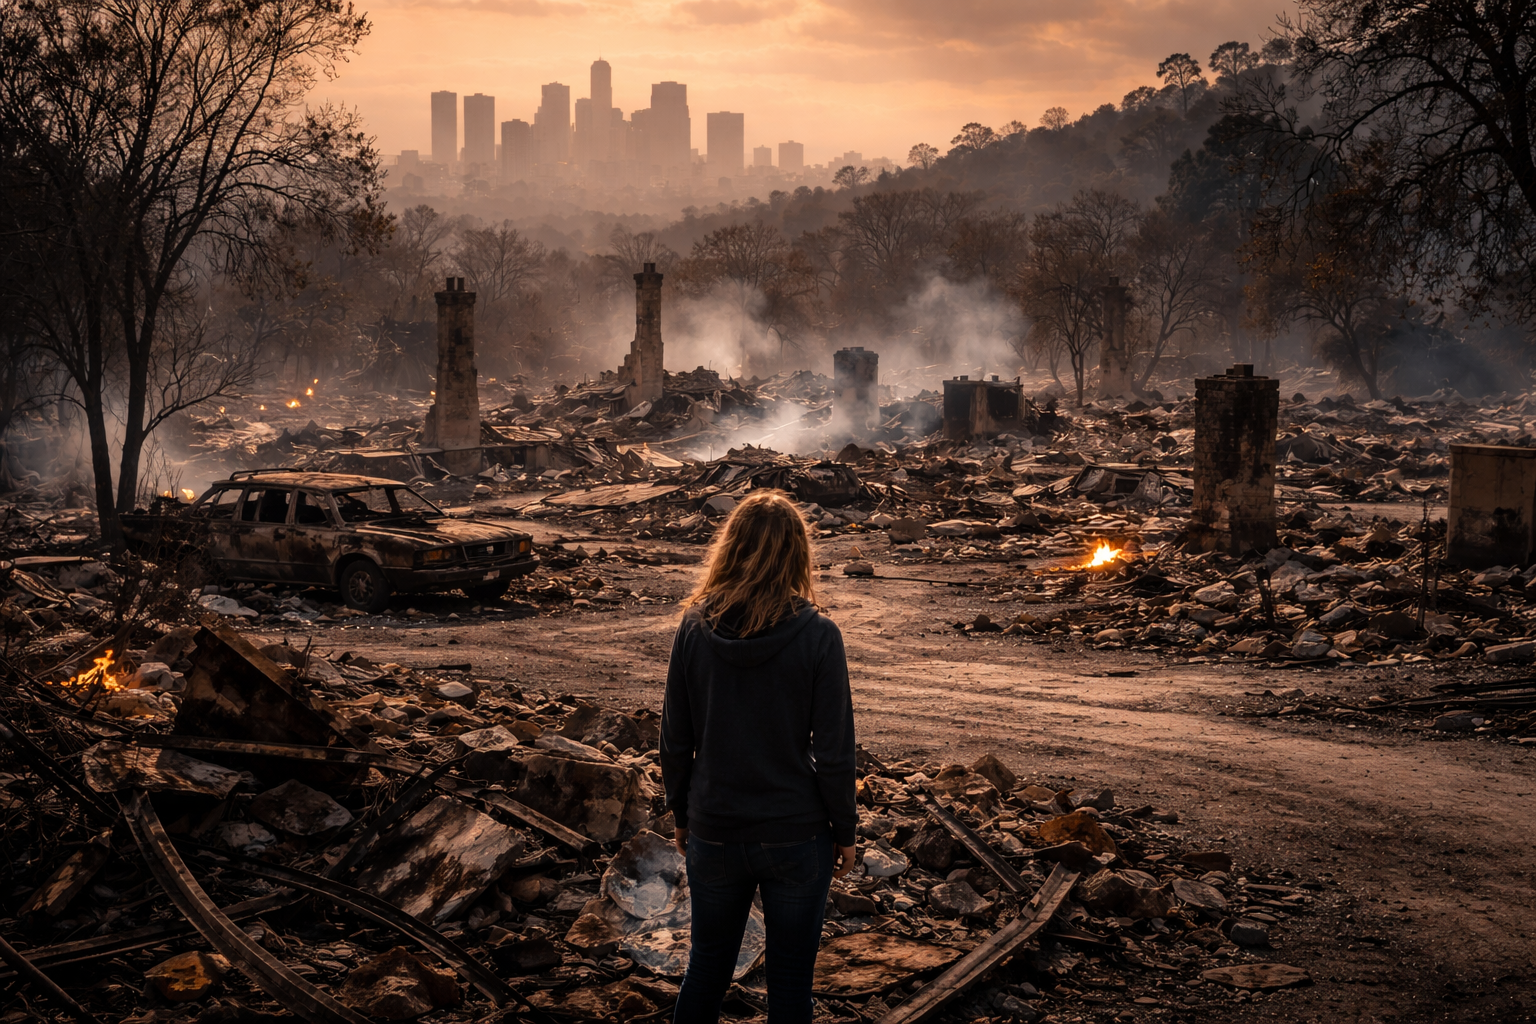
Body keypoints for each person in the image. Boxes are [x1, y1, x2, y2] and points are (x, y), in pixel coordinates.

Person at [660, 489, 858, 1024]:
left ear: (729, 548)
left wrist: (681, 813)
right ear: (798, 553)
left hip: (716, 825)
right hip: (797, 832)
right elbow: (837, 751)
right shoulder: (819, 636)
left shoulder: (695, 628)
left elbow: (675, 739)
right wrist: (845, 830)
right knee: (791, 981)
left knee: (706, 970)